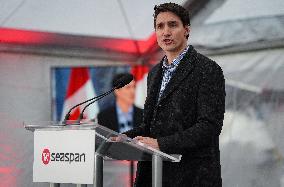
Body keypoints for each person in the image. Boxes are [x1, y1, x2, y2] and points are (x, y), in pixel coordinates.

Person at [124, 3, 226, 187]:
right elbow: (150, 125)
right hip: (154, 174)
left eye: (173, 25)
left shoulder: (208, 69)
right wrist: (123, 138)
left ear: (186, 30)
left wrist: (161, 144)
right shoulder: (154, 73)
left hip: (193, 176)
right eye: (160, 26)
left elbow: (209, 126)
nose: (166, 32)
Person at [97, 72, 143, 187]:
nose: (133, 92)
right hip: (113, 172)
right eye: (128, 88)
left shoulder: (144, 114)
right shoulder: (104, 116)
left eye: (134, 87)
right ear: (117, 91)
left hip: (139, 170)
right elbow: (104, 146)